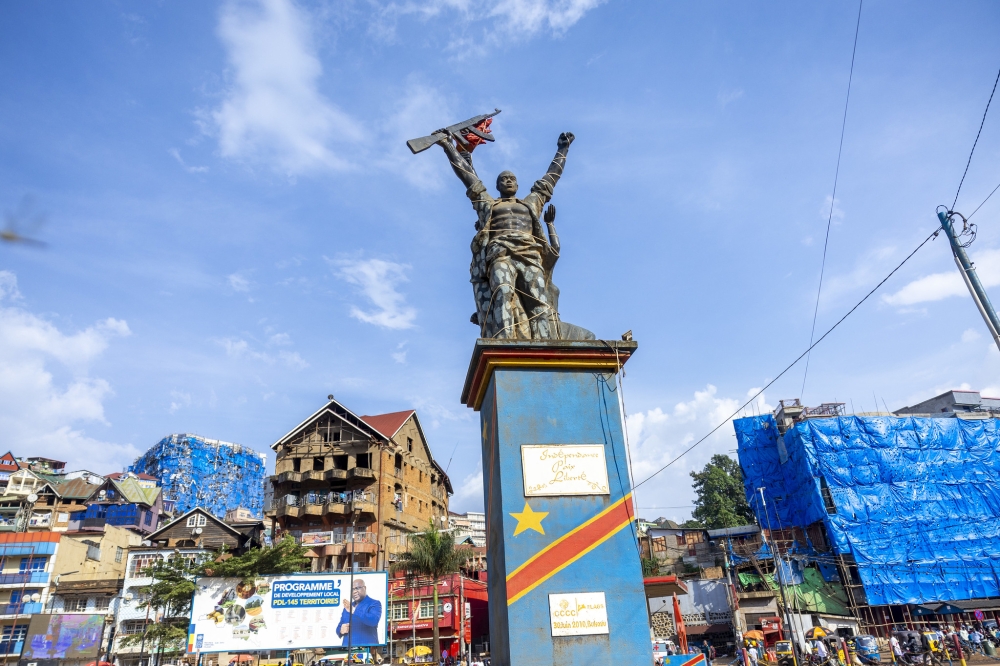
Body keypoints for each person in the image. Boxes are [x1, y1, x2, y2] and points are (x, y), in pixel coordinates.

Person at [336, 578, 383, 647]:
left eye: (357, 588)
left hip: (366, 650)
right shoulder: (348, 607)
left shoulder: (374, 603)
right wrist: (341, 630)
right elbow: (339, 627)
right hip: (347, 651)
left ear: (365, 588)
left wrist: (354, 611)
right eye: (352, 589)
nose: (354, 591)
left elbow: (373, 621)